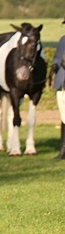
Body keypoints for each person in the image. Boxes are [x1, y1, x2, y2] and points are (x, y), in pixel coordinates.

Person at [53, 22, 65, 160]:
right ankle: (63, 150)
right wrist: (55, 65)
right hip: (62, 83)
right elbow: (56, 58)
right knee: (64, 117)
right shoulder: (63, 40)